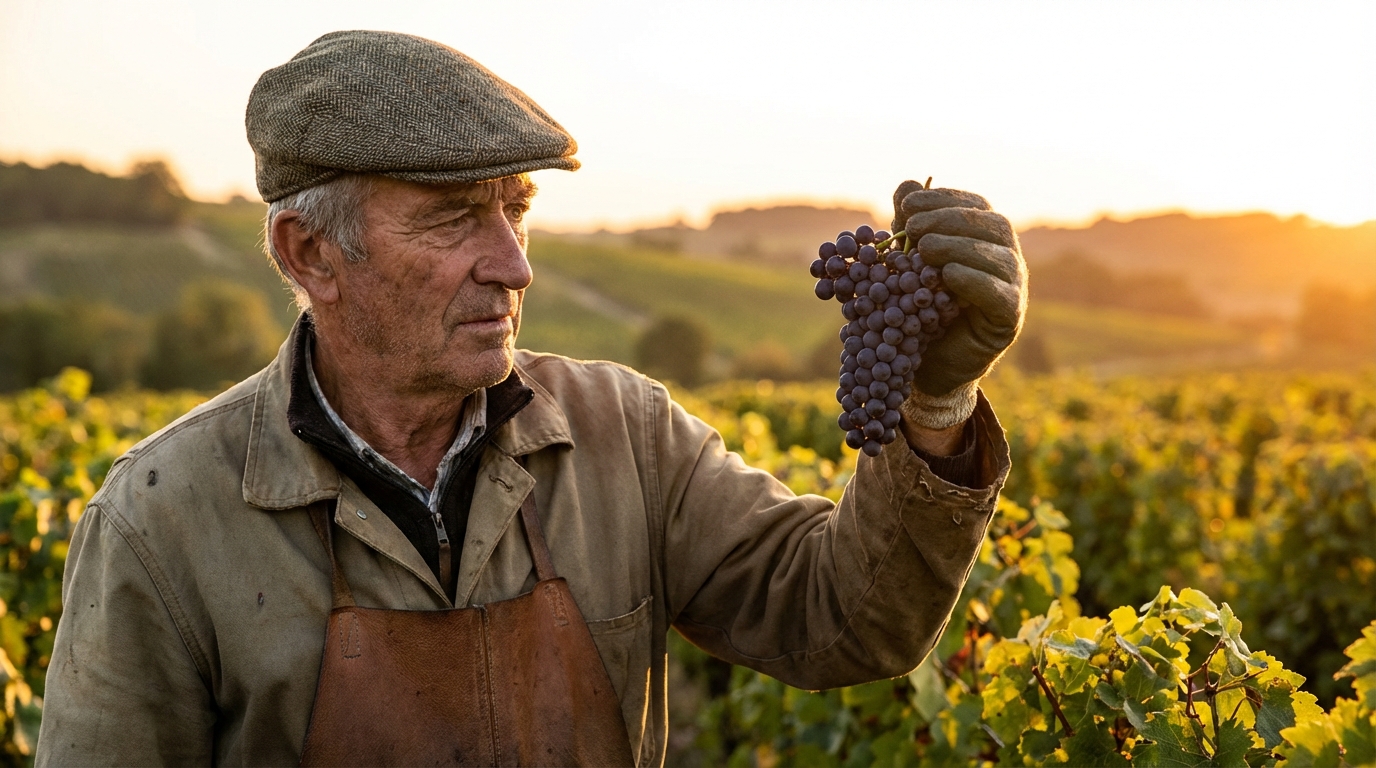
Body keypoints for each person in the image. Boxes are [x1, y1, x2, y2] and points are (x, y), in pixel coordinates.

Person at [35, 30, 1026, 767]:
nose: (512, 265)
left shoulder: (625, 434)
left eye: (516, 210)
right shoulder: (163, 519)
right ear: (311, 254)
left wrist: (936, 404)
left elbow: (842, 620)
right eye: (452, 219)